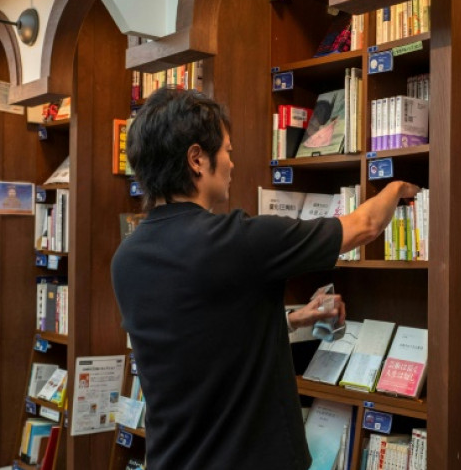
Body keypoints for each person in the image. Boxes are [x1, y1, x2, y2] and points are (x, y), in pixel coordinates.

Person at [111, 87, 419, 469]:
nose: (232, 164)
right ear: (196, 159)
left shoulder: (127, 257)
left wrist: (293, 320)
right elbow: (365, 226)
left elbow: (199, 336)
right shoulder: (240, 241)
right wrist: (398, 187)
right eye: (227, 151)